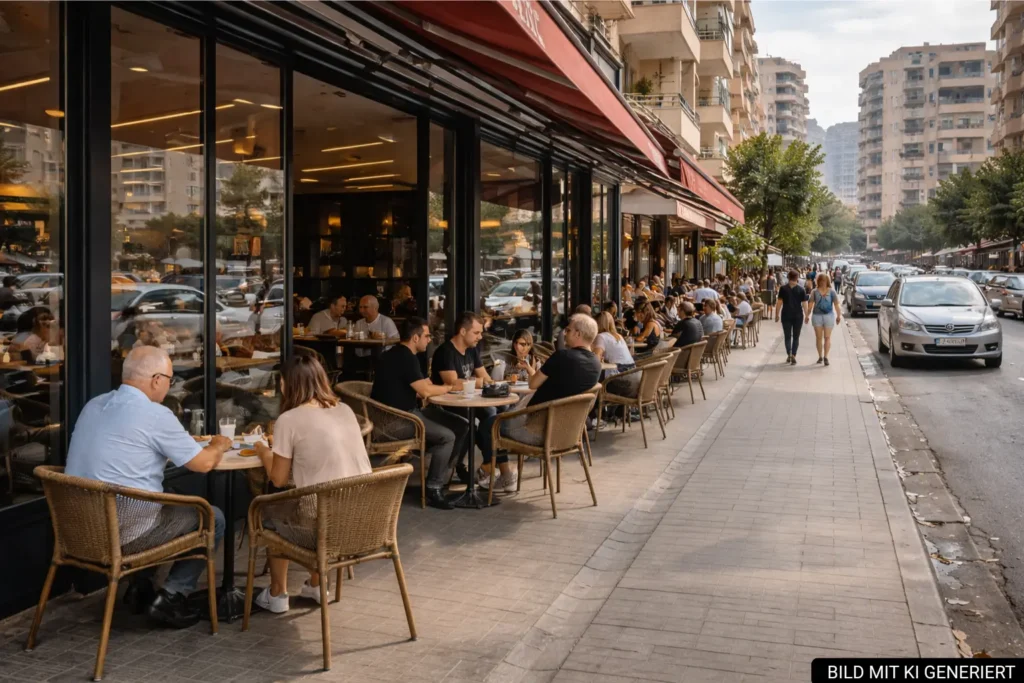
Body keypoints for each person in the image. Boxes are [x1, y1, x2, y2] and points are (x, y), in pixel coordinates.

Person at [65, 346, 232, 628]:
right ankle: (171, 597)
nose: (170, 385)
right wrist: (218, 445)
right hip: (123, 532)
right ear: (156, 380)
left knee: (171, 498)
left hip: (77, 529)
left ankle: (140, 588)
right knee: (212, 517)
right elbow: (203, 464)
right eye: (169, 379)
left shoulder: (94, 404)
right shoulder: (156, 415)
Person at [252, 353, 371, 614]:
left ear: (288, 384)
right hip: (365, 522)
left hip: (324, 528)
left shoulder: (289, 419)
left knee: (270, 513)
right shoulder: (345, 409)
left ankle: (277, 593)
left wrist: (263, 451)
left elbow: (279, 478)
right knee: (311, 503)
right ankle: (317, 585)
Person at [476, 314, 601, 492]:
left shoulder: (562, 356)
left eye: (568, 330)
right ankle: (502, 473)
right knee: (499, 417)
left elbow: (532, 383)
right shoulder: (596, 363)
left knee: (488, 425)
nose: (564, 334)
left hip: (535, 429)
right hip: (566, 434)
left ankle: (500, 474)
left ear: (578, 334)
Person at [371, 317, 468, 509]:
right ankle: (433, 488)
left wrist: (434, 387)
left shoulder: (399, 354)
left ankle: (442, 473)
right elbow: (424, 391)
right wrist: (448, 387)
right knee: (447, 436)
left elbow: (422, 386)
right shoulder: (405, 357)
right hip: (395, 421)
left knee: (462, 424)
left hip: (405, 413)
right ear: (415, 338)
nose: (429, 340)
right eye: (427, 336)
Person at [775, 269, 809, 365]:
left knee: (787, 336)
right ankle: (793, 354)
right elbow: (804, 304)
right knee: (796, 337)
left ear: (788, 277)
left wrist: (776, 314)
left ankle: (789, 353)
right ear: (797, 278)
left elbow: (779, 303)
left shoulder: (783, 289)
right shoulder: (801, 289)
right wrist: (806, 315)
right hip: (798, 315)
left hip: (786, 314)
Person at [808, 272, 841, 366]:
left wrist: (839, 315)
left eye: (825, 280)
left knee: (827, 337)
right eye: (821, 280)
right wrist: (807, 315)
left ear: (828, 281)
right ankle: (820, 356)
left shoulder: (832, 292)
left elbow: (836, 304)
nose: (823, 282)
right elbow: (810, 304)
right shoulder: (814, 291)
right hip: (817, 316)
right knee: (819, 338)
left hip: (828, 316)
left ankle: (826, 357)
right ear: (818, 281)